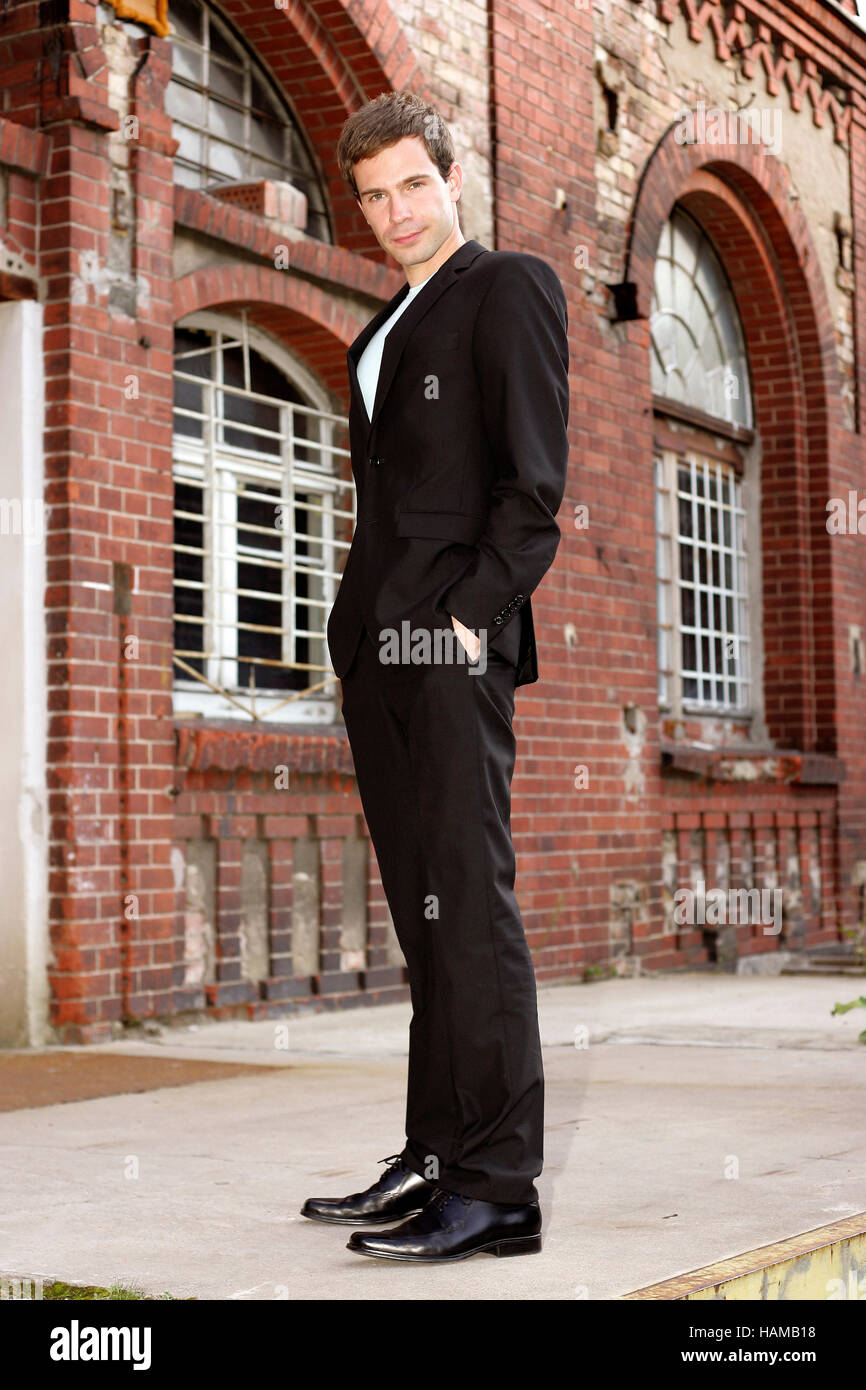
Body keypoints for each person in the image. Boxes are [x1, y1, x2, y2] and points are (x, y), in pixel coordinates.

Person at [300, 90, 570, 1262]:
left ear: (448, 177)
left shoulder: (502, 286)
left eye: (411, 184)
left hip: (446, 645)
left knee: (469, 908)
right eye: (370, 195)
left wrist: (464, 623)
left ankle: (498, 1186)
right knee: (427, 916)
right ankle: (435, 1152)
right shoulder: (383, 326)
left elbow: (532, 492)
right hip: (378, 648)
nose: (393, 211)